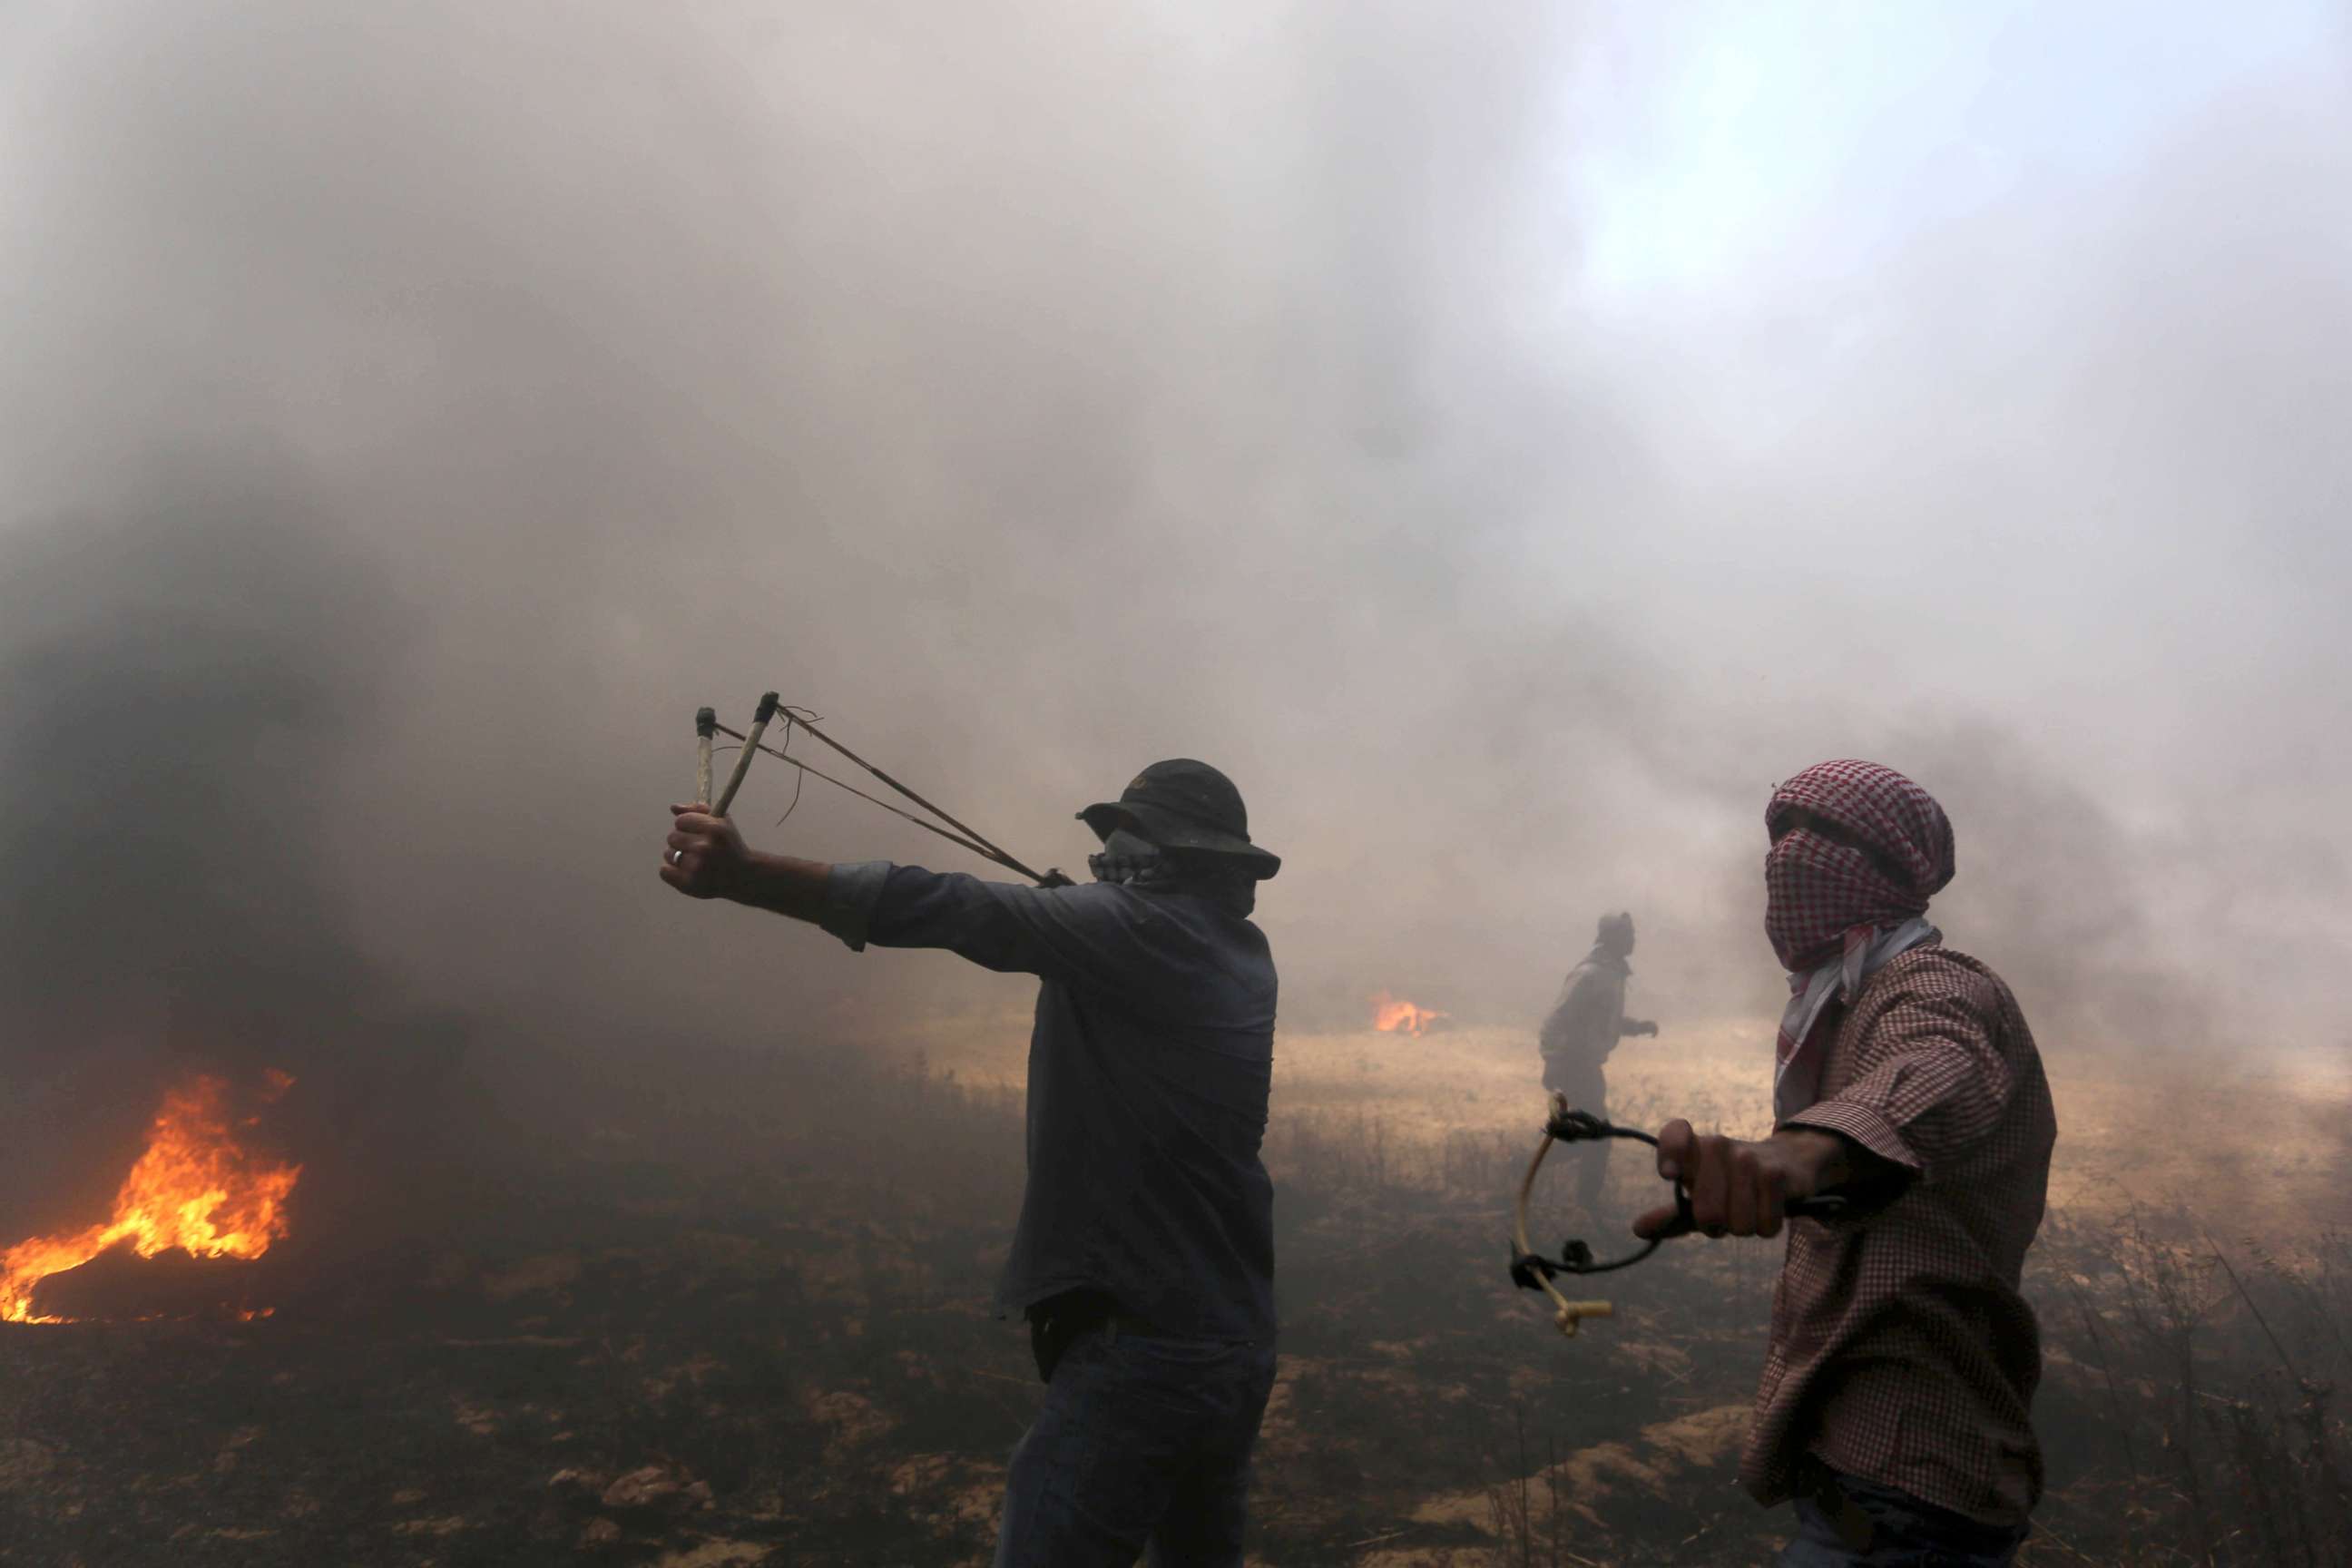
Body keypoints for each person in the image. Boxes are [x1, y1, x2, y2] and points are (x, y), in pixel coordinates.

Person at [661, 759, 1282, 1568]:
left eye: (1128, 848)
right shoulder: (1233, 950)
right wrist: (1083, 915)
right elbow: (1084, 929)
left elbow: (964, 909)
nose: (1109, 863)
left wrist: (747, 877)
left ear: (1177, 858)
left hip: (1144, 1346)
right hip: (1231, 1338)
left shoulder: (1140, 934)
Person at [1631, 760, 2055, 1566]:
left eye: (1826, 833)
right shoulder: (1842, 1001)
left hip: (1913, 1487)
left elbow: (1930, 1071)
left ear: (1898, 867)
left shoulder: (1934, 987)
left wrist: (1798, 1156)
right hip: (1859, 1472)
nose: (1792, 853)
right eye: (1783, 830)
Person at [1537, 911, 1659, 1211]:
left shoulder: (1612, 973)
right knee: (1597, 1136)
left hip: (1588, 1065)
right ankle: (1582, 1203)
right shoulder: (1590, 975)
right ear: (1612, 938)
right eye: (1627, 934)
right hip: (1574, 1064)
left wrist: (1636, 1027)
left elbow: (1601, 1020)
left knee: (1589, 1134)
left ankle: (1531, 1167)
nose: (1633, 939)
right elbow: (1557, 1020)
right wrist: (1553, 1060)